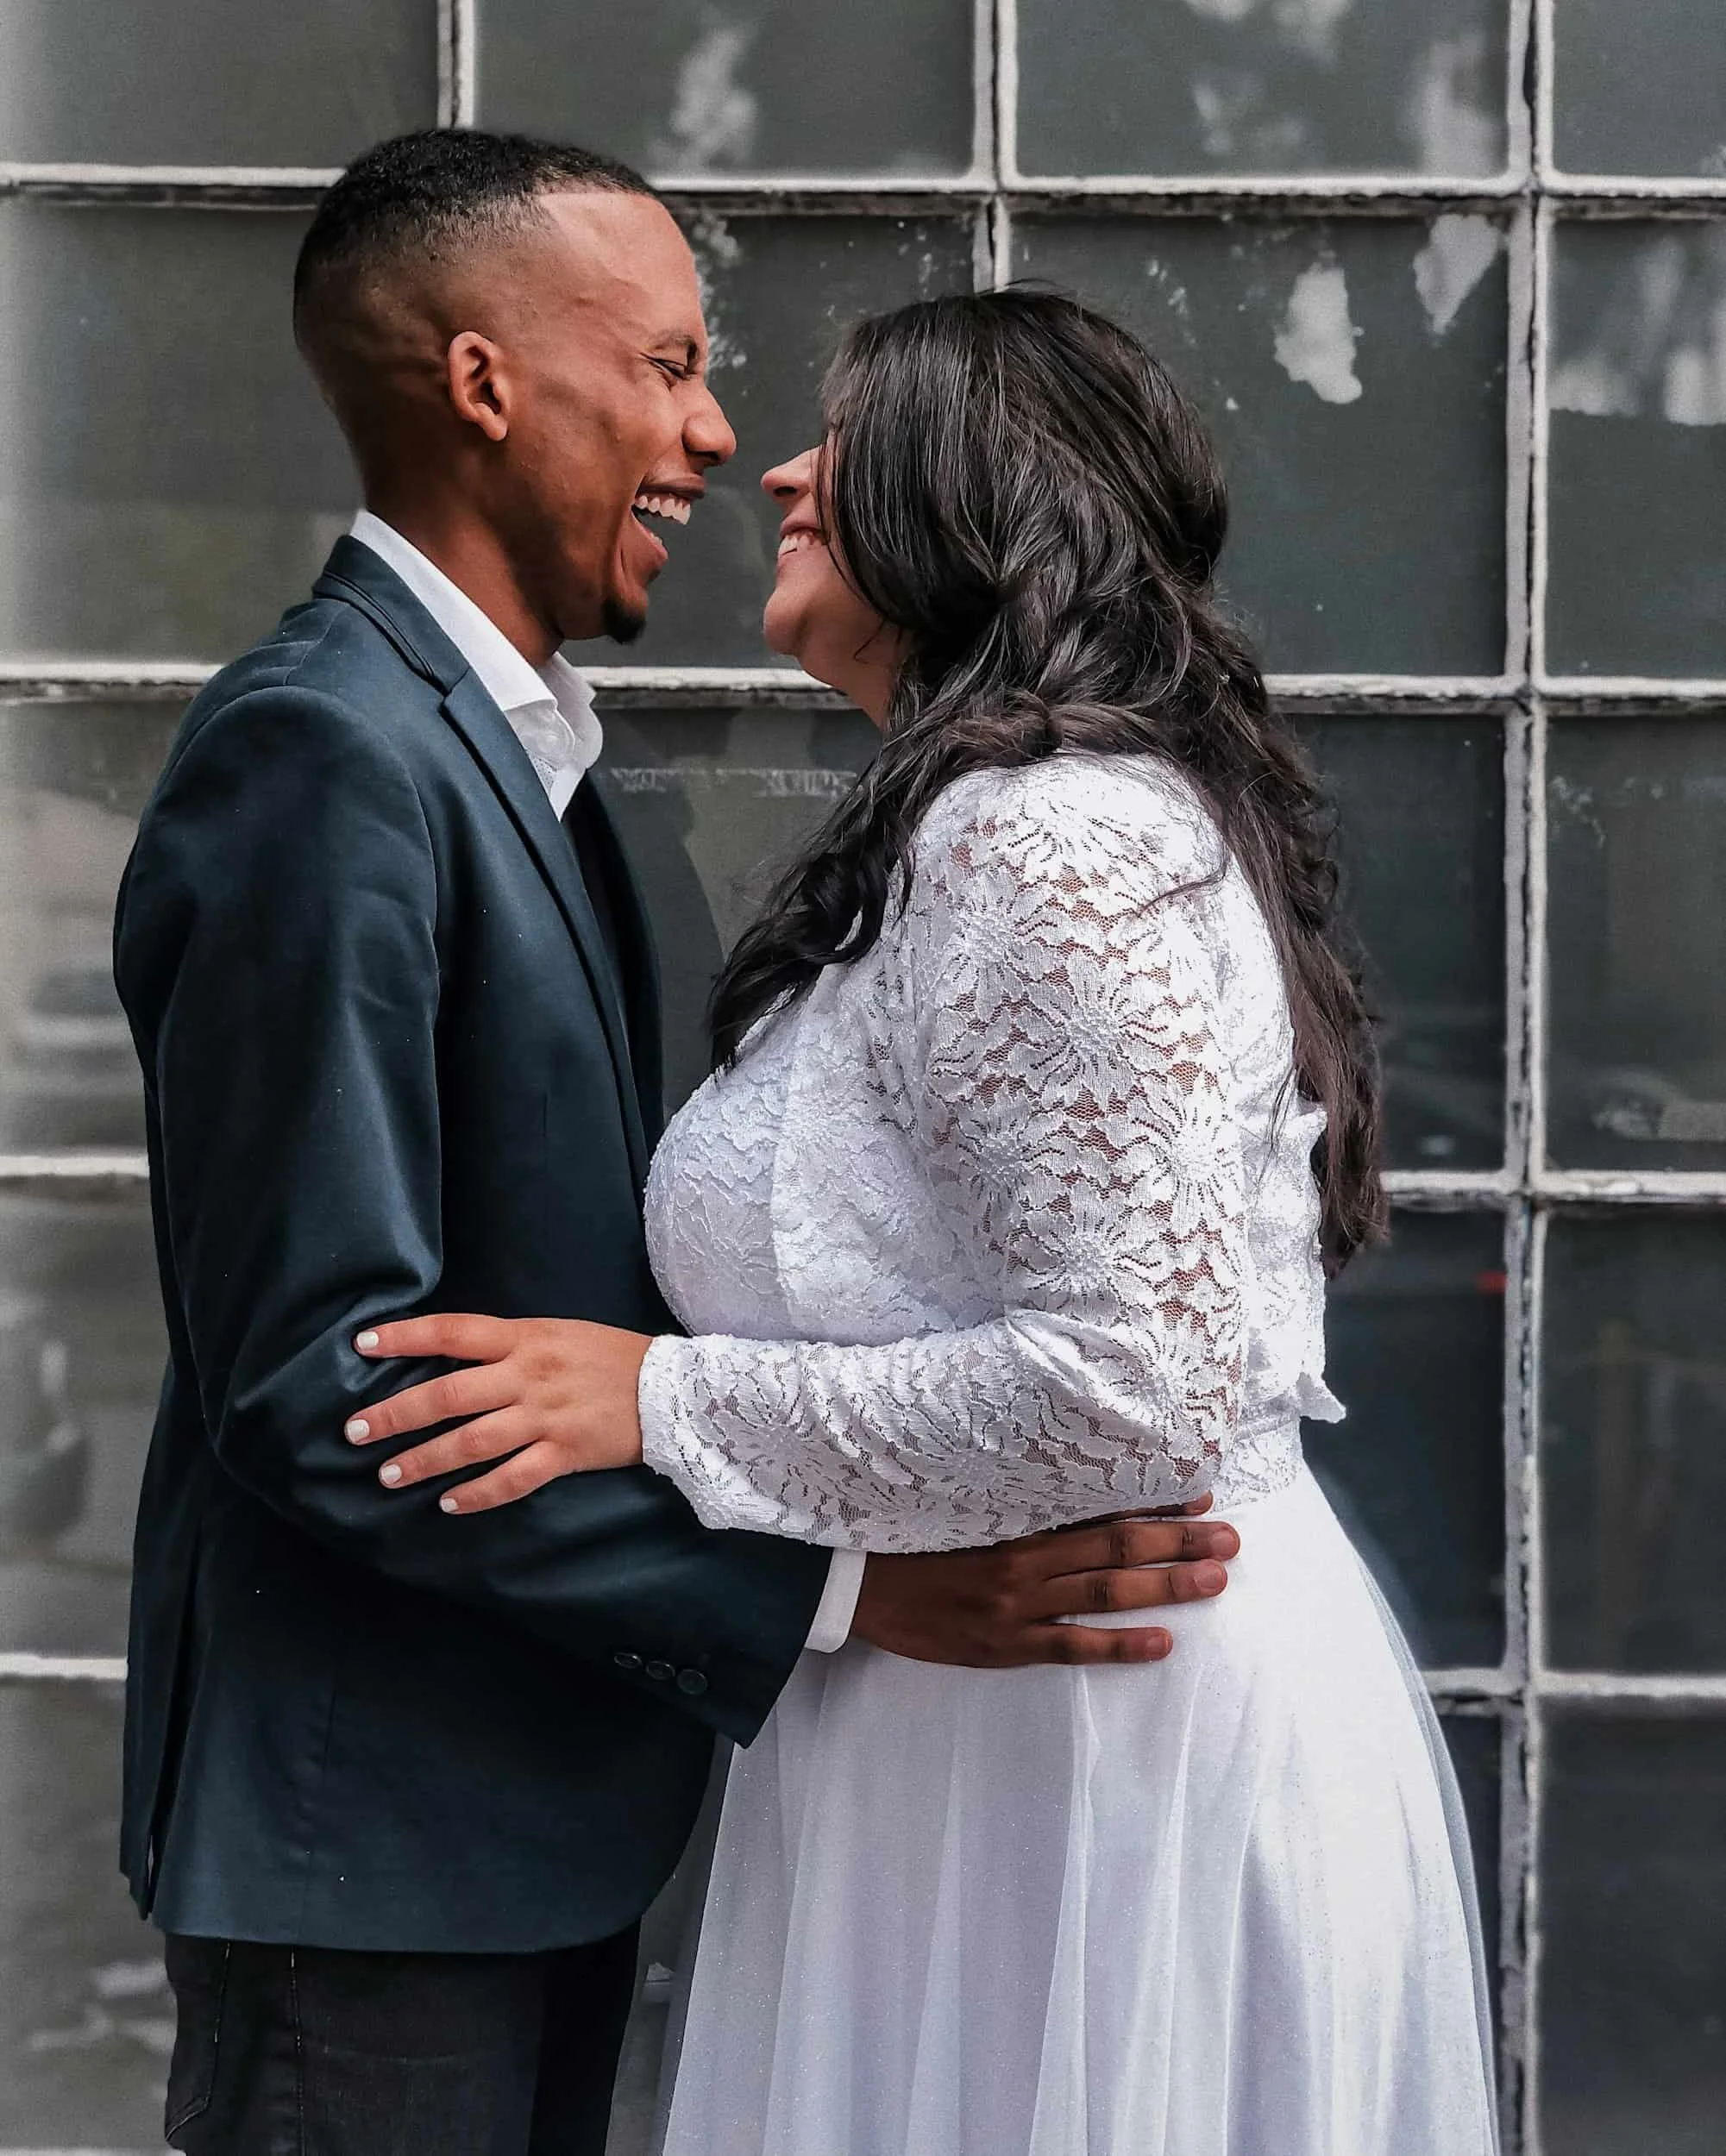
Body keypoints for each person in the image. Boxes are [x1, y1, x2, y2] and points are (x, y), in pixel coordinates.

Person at [113, 137, 1242, 2156]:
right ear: (484, 385)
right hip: (372, 1851)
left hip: (526, 1822)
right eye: (667, 365)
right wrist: (828, 1596)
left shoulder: (518, 757)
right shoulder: (323, 753)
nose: (716, 437)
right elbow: (313, 1384)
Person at [355, 291, 1503, 2154]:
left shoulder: (1043, 836)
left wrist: (656, 1403)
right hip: (967, 1723)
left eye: (845, 436)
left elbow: (1135, 1388)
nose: (779, 469)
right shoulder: (978, 823)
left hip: (1092, 1752)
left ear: (973, 499)